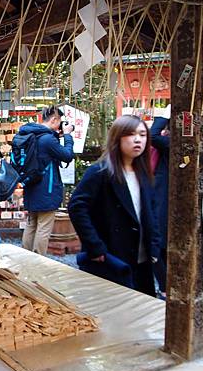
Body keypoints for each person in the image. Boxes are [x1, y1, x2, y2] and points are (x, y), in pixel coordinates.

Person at [68, 115, 160, 296]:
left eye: (142, 135)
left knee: (142, 310)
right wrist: (95, 246)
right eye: (131, 134)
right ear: (117, 138)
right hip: (112, 257)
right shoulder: (100, 172)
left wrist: (155, 246)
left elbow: (151, 212)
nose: (138, 140)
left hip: (142, 259)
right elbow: (77, 207)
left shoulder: (144, 174)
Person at [21, 105, 75, 255]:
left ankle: (25, 259)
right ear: (54, 119)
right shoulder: (47, 139)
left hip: (31, 187)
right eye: (60, 121)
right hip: (46, 189)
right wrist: (68, 136)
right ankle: (38, 262)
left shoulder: (31, 135)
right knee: (44, 227)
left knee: (31, 224)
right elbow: (67, 155)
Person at [150, 114, 170, 298]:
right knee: (160, 243)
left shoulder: (172, 142)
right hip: (165, 197)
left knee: (157, 242)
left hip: (163, 196)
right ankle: (165, 285)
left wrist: (162, 116)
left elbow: (153, 135)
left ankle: (164, 286)